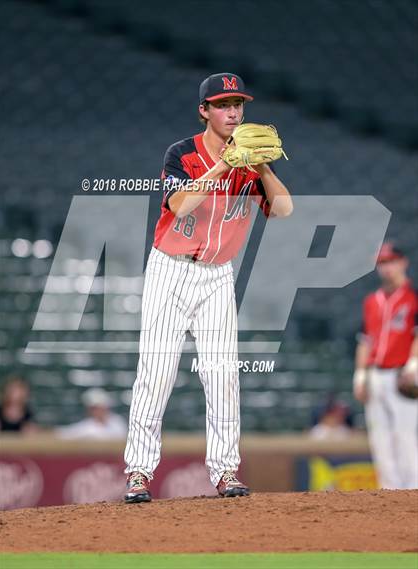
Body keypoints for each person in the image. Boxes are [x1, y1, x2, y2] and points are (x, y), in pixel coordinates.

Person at [123, 72, 293, 502]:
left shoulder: (251, 162)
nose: (233, 111)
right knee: (157, 374)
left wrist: (261, 166)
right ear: (204, 111)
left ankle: (225, 472)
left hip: (218, 275)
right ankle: (138, 471)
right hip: (171, 270)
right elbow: (179, 203)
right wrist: (223, 165)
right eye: (223, 104)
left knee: (221, 376)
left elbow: (285, 208)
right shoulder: (182, 153)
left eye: (238, 103)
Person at [353, 242, 418, 489]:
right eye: (382, 263)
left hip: (402, 374)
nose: (386, 267)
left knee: (405, 436)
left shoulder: (413, 297)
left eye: (390, 261)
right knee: (379, 438)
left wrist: (413, 366)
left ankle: (412, 490)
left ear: (403, 262)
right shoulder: (372, 301)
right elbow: (364, 340)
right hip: (375, 375)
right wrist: (360, 376)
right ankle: (388, 492)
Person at [55, 388, 127, 440]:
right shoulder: (87, 426)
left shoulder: (118, 422)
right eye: (94, 408)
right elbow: (66, 433)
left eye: (99, 407)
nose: (97, 411)